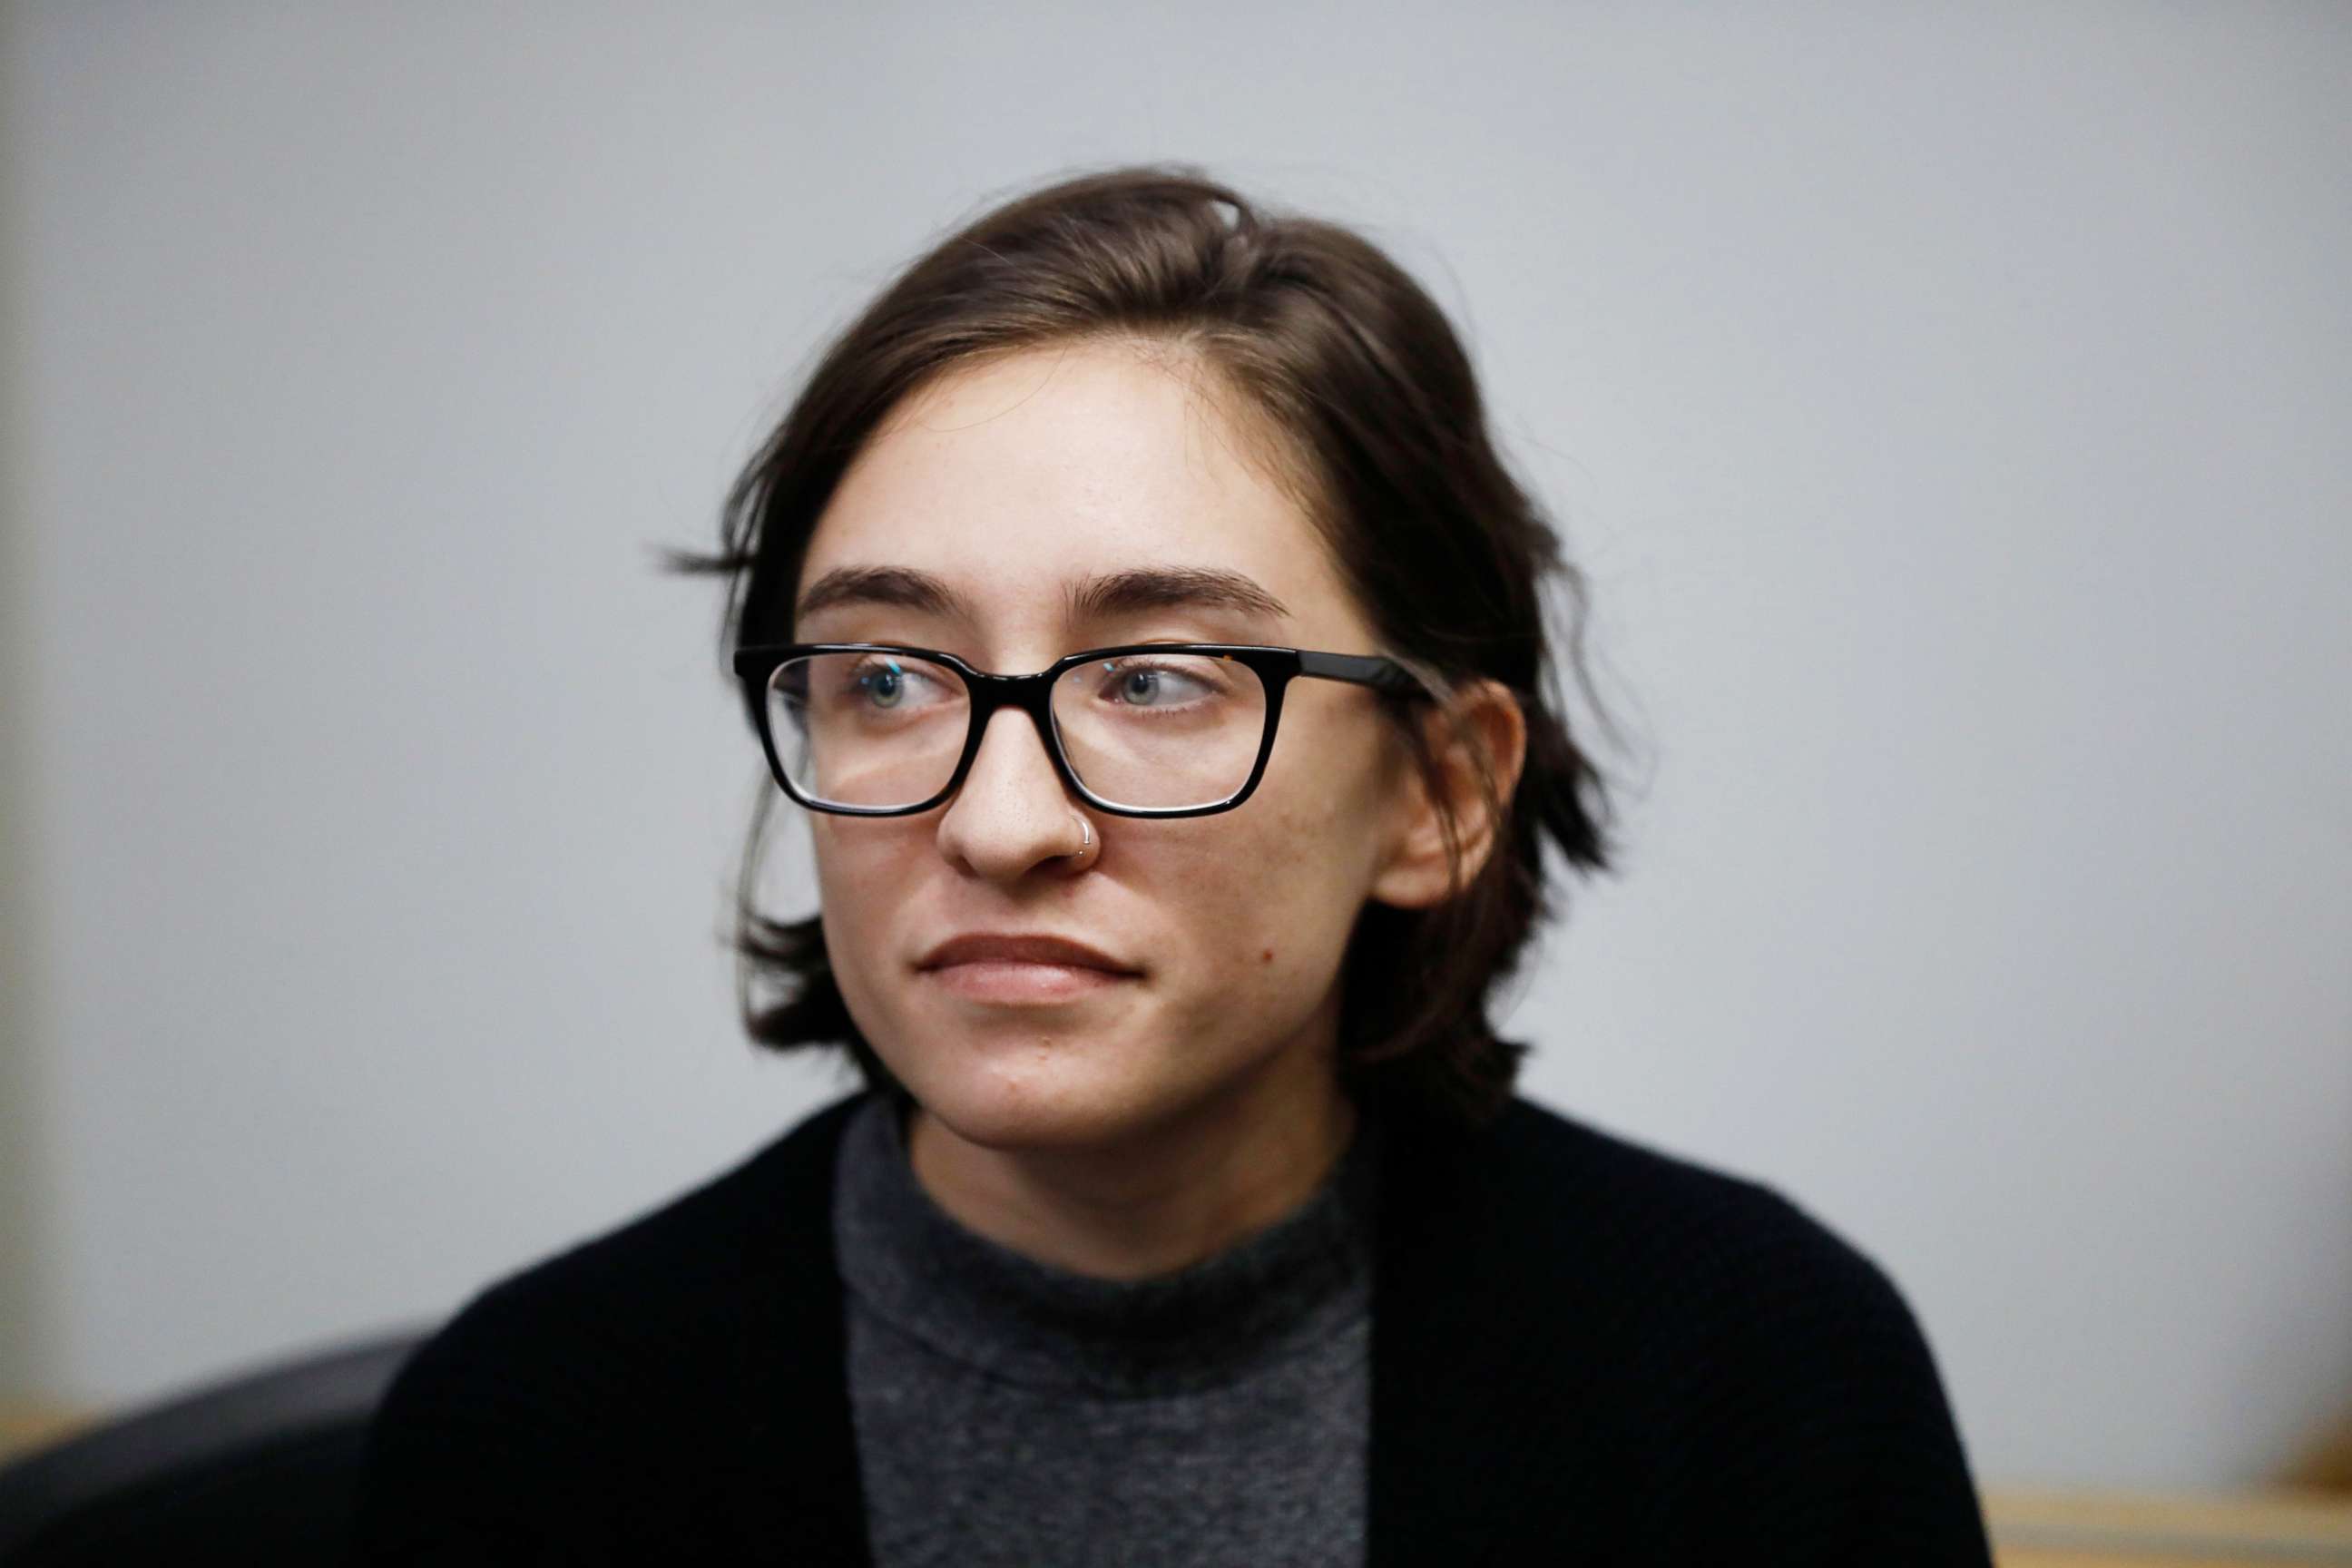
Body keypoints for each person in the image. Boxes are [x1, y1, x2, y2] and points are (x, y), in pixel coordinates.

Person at [356, 164, 1993, 1565]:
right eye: (889, 677)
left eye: (1154, 679)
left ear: (1438, 792)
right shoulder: (534, 1437)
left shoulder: (1751, 1385)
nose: (1002, 825)